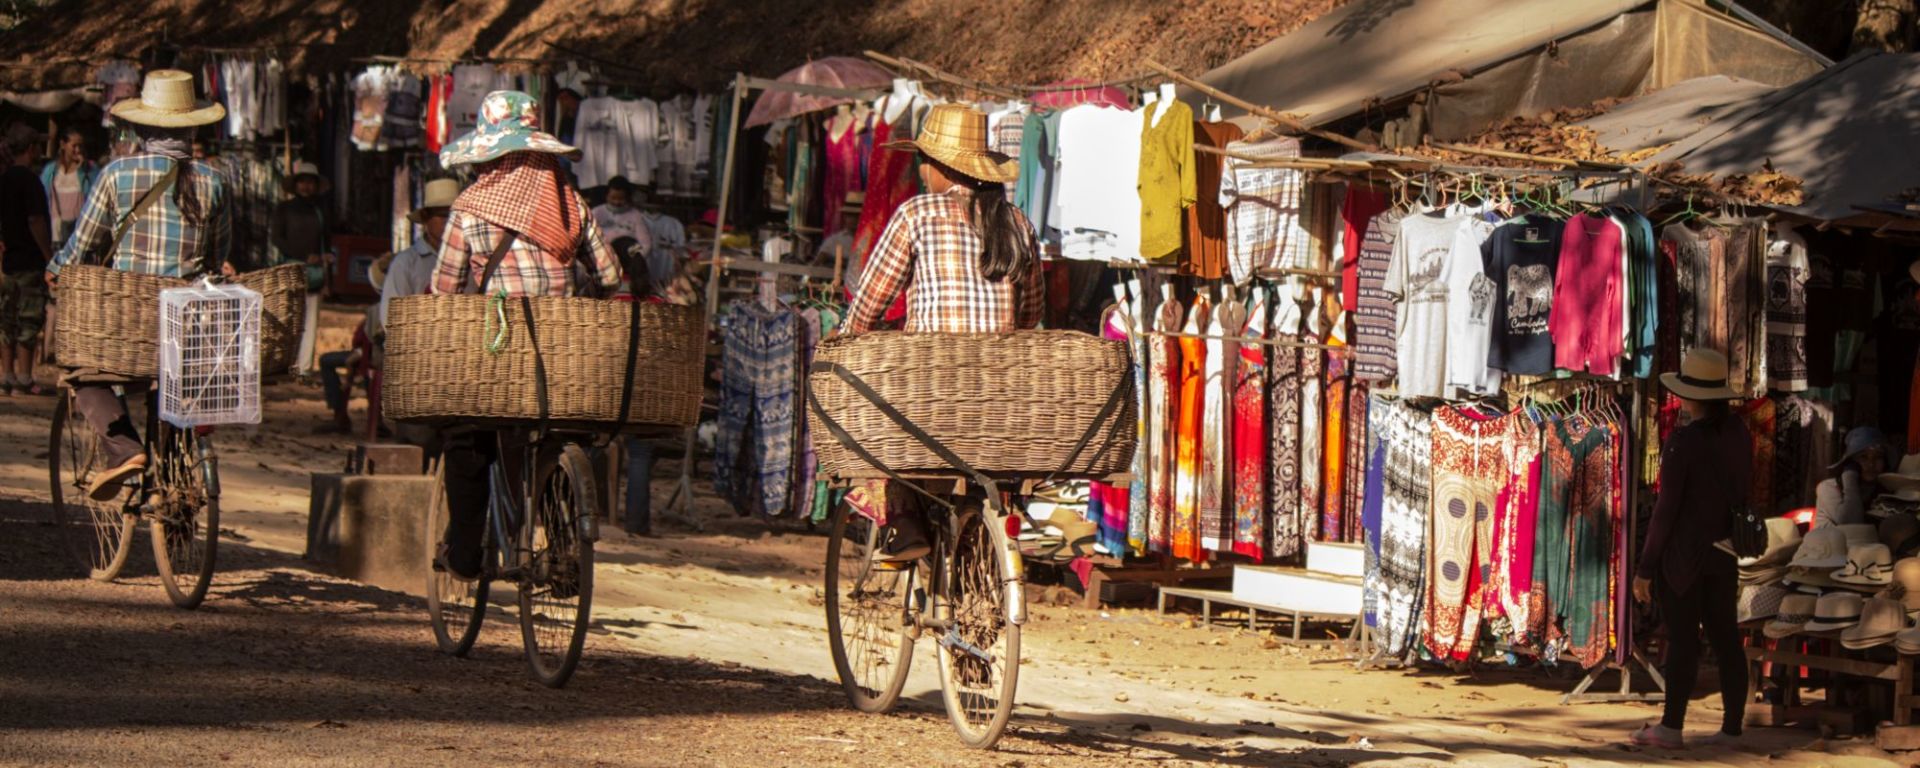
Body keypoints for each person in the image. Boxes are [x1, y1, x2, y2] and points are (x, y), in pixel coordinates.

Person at [840, 103, 1043, 561]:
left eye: (924, 162)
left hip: (933, 390)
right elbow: (1031, 314)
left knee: (877, 418)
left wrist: (847, 338)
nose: (921, 170)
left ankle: (905, 521)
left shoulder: (917, 214)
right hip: (999, 396)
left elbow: (869, 304)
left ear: (941, 168)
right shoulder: (1019, 223)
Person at [431, 90, 620, 580]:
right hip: (564, 351)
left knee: (466, 437)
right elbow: (611, 276)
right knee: (558, 430)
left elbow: (444, 288)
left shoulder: (471, 208)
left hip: (498, 350)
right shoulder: (570, 203)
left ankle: (467, 552)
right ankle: (562, 547)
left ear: (491, 156)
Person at [45, 70, 231, 500]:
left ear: (143, 126)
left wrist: (56, 267)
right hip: (188, 318)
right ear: (191, 127)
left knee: (82, 372)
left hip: (128, 316)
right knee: (172, 384)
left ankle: (126, 449)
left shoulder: (117, 173)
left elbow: (84, 241)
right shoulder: (214, 180)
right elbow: (219, 254)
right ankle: (178, 475)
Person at [1631, 349, 1753, 749]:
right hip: (1725, 551)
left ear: (1690, 396)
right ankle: (1732, 729)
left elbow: (1666, 511)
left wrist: (1646, 568)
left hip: (1685, 555)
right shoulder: (1739, 433)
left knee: (1683, 639)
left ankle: (1670, 727)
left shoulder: (1682, 442)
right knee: (1726, 639)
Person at [2, 123, 53, 396]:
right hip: (29, 261)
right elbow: (35, 220)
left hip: (8, 261)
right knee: (29, 320)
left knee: (7, 319)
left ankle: (7, 375)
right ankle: (24, 377)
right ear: (31, 149)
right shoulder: (30, 181)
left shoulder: (5, 179)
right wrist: (48, 255)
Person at [40, 126, 97, 243]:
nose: (78, 150)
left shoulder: (90, 168)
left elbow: (96, 196)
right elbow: (42, 197)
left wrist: (83, 170)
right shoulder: (51, 170)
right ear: (63, 145)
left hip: (80, 233)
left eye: (80, 146)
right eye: (74, 146)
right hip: (56, 233)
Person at [1828, 426, 1886, 525]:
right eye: (1863, 457)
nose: (1871, 464)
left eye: (1878, 457)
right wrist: (1850, 476)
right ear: (1851, 461)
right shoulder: (1829, 487)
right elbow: (1851, 523)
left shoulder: (1884, 491)